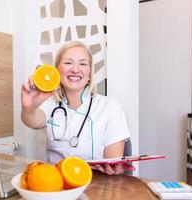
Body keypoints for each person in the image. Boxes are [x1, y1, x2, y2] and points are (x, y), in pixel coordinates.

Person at [21, 41, 134, 175]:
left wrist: (113, 168)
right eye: (68, 63)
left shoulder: (110, 107)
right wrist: (28, 108)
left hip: (95, 183)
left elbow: (113, 161)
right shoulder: (49, 103)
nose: (75, 69)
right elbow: (33, 120)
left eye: (82, 63)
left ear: (89, 72)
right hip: (56, 183)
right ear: (57, 69)